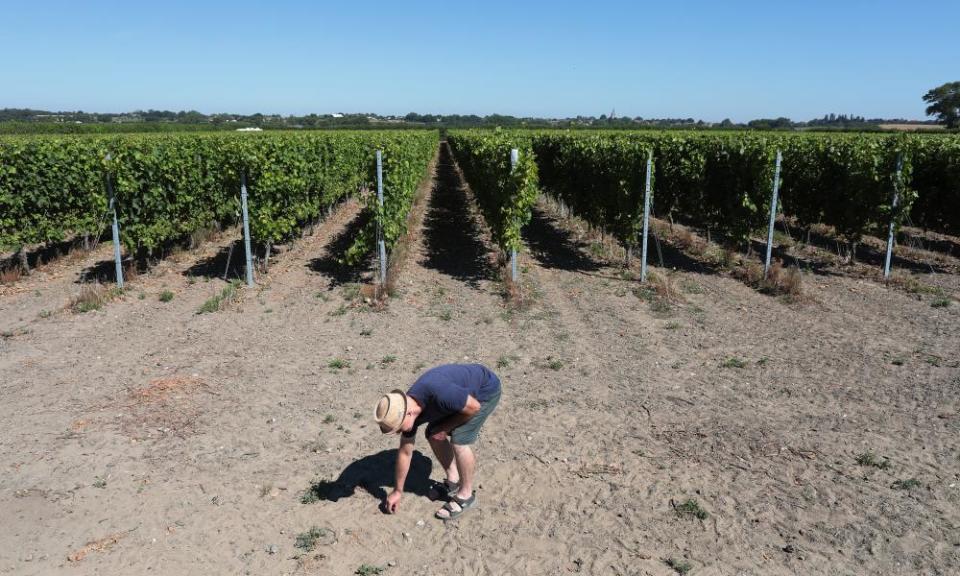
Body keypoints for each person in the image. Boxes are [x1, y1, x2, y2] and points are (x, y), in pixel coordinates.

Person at [373, 363, 501, 520]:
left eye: (397, 428)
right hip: (460, 399)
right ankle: (453, 481)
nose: (398, 432)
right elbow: (405, 452)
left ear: (408, 413)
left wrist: (446, 428)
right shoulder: (409, 408)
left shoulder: (441, 394)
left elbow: (474, 407)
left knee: (459, 440)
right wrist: (397, 491)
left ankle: (466, 495)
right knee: (433, 433)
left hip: (484, 392)